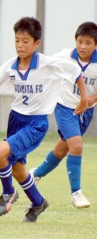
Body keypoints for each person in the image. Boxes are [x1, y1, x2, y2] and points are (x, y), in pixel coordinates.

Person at [0, 17, 88, 223]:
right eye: (17, 40)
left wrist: (83, 98)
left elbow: (75, 71)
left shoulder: (48, 64)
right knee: (17, 168)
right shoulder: (10, 66)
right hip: (15, 120)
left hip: (36, 123)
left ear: (37, 43)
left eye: (25, 41)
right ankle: (38, 202)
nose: (20, 45)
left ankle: (8, 194)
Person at [30, 22, 97, 209]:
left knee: (62, 150)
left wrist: (93, 98)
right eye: (80, 41)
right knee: (76, 145)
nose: (83, 46)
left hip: (86, 112)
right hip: (64, 107)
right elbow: (42, 66)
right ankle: (76, 193)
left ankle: (35, 175)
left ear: (96, 44)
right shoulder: (64, 57)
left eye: (88, 43)